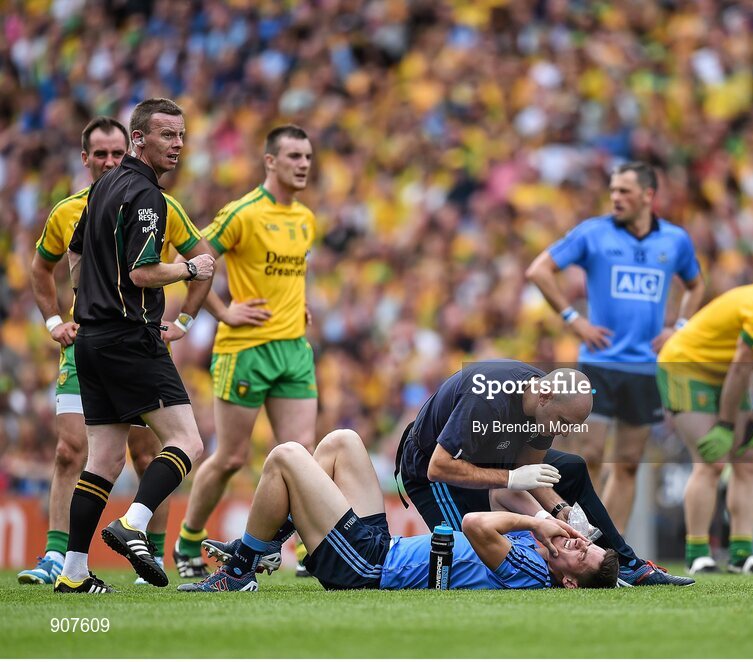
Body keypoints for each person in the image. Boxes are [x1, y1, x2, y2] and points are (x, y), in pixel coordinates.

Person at [19, 117, 213, 586]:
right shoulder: (148, 195)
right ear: (141, 139)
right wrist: (190, 267)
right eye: (169, 135)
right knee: (187, 441)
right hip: (131, 336)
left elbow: (78, 257)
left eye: (182, 136)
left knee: (102, 461)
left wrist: (92, 301)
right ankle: (133, 523)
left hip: (90, 339)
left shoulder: (101, 191)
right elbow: (143, 273)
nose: (178, 145)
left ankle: (72, 571)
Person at [179, 429, 619, 591]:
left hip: (368, 568)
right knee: (342, 443)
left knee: (286, 455)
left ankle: (241, 568)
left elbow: (474, 523)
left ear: (569, 583)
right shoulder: (542, 550)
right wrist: (557, 516)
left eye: (581, 554)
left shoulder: (532, 572)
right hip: (381, 546)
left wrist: (539, 523)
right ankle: (272, 543)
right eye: (584, 544)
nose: (576, 544)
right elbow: (503, 497)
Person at [395, 360, 693, 586]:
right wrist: (512, 480)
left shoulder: (544, 409)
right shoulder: (487, 400)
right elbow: (439, 467)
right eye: (562, 422)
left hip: (492, 459)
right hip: (432, 472)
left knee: (572, 468)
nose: (563, 431)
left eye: (570, 426)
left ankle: (628, 565)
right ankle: (565, 576)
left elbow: (529, 471)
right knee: (472, 555)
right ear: (545, 396)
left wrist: (558, 509)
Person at [527, 161, 704, 531]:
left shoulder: (674, 241)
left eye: (624, 191)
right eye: (612, 191)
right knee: (585, 457)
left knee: (627, 465)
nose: (616, 198)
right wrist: (574, 321)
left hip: (645, 368)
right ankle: (572, 537)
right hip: (598, 364)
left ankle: (611, 548)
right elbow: (539, 270)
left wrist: (681, 328)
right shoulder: (593, 234)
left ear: (648, 195)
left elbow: (696, 285)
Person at [174, 125, 318, 579]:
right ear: (270, 161)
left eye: (308, 157)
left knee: (302, 452)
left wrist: (299, 303)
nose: (303, 165)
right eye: (294, 156)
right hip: (246, 349)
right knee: (232, 457)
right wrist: (223, 311)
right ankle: (188, 540)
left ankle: (306, 550)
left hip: (293, 348)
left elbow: (285, 274)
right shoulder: (242, 213)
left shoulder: (306, 219)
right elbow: (193, 264)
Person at [657, 260, 753, 575]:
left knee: (751, 457)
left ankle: (742, 553)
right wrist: (727, 426)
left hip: (726, 373)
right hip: (686, 366)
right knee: (711, 458)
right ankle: (698, 553)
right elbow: (742, 368)